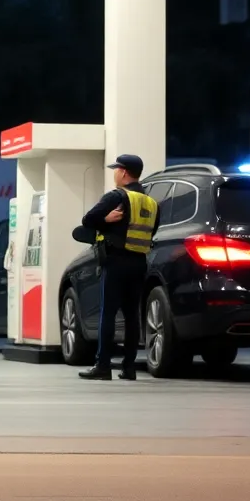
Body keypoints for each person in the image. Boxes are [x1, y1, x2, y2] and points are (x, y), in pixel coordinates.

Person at [77, 154, 160, 382]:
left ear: (123, 172)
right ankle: (129, 368)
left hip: (115, 261)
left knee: (108, 314)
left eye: (116, 169)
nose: (114, 172)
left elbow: (88, 220)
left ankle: (103, 366)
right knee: (132, 316)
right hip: (139, 262)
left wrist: (106, 221)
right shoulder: (151, 203)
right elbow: (152, 232)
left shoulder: (116, 196)